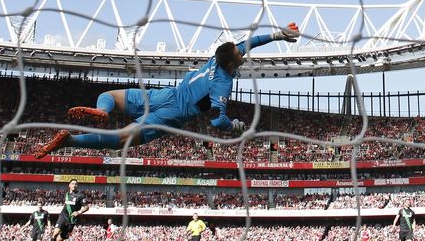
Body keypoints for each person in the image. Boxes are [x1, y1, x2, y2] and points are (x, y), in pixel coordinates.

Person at [34, 23, 300, 158]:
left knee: (111, 96)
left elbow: (248, 42)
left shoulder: (217, 58)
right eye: (239, 57)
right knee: (120, 140)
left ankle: (101, 110)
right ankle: (69, 141)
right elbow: (218, 120)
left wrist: (278, 35)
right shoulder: (223, 83)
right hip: (172, 113)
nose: (243, 56)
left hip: (164, 94)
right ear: (231, 62)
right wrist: (236, 126)